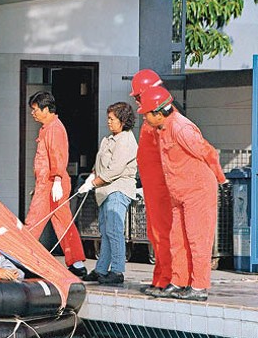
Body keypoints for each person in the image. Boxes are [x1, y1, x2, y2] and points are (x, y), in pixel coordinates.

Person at [137, 85, 226, 301]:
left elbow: (208, 152)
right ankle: (179, 281)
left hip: (198, 191)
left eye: (147, 114)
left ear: (158, 113)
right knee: (177, 239)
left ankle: (199, 286)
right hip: (179, 193)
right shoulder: (164, 128)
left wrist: (221, 179)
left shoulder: (181, 128)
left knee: (197, 239)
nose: (145, 118)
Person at [129, 69, 185, 297]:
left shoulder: (162, 120)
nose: (135, 100)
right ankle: (161, 278)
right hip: (153, 187)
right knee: (156, 234)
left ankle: (169, 279)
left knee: (164, 234)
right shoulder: (152, 118)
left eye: (137, 96)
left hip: (162, 187)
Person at [24, 91, 87, 277]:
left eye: (35, 109)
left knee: (34, 221)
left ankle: (23, 259)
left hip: (51, 183)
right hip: (49, 183)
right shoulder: (48, 127)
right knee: (63, 222)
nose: (32, 113)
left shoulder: (53, 128)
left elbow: (58, 155)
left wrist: (57, 179)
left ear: (46, 109)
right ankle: (76, 263)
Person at [78, 102, 138, 285]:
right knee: (105, 231)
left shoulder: (126, 140)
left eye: (112, 119)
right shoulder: (108, 140)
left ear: (123, 120)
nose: (109, 122)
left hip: (117, 190)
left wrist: (93, 183)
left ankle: (118, 270)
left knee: (114, 231)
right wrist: (91, 178)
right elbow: (100, 165)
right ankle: (102, 268)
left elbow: (114, 170)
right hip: (104, 191)